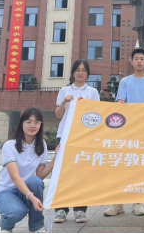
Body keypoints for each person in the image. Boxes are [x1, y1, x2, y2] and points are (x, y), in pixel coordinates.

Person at [104, 48, 144, 217]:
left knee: (140, 166)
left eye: (141, 59)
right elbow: (120, 103)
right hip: (128, 130)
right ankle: (117, 203)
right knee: (122, 166)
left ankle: (137, 202)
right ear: (131, 61)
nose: (139, 61)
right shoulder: (125, 82)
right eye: (136, 58)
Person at [0, 107, 57, 234]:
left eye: (36, 122)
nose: (32, 125)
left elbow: (40, 176)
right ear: (22, 124)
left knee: (35, 181)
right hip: (5, 192)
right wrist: (31, 197)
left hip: (26, 190)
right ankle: (5, 226)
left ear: (40, 125)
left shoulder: (41, 145)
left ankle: (37, 227)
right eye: (28, 122)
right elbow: (15, 177)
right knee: (17, 211)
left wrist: (56, 158)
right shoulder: (9, 145)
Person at [54, 60, 100, 224]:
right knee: (62, 172)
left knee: (82, 173)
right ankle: (61, 209)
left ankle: (80, 209)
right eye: (77, 70)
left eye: (84, 70)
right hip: (65, 134)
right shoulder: (65, 90)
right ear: (73, 73)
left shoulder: (92, 92)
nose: (80, 73)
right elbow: (58, 115)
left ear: (88, 73)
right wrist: (64, 102)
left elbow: (97, 115)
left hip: (84, 136)